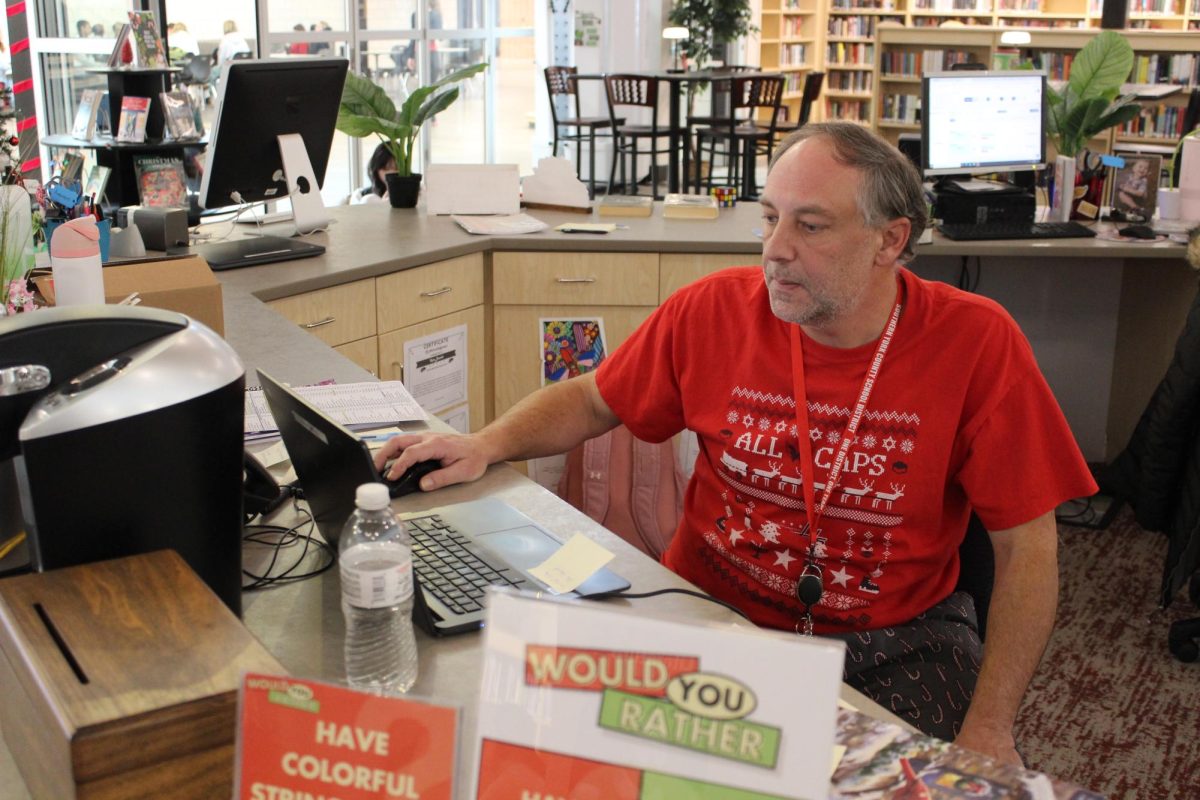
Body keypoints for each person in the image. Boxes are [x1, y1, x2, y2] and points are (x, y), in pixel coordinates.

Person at [373, 122, 1098, 764]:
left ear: (890, 240)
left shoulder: (975, 342)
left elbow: (1026, 548)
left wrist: (992, 725)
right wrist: (485, 443)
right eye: (770, 218)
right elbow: (596, 399)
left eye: (810, 226)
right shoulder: (713, 310)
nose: (775, 252)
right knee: (557, 750)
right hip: (708, 616)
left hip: (893, 642)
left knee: (938, 784)